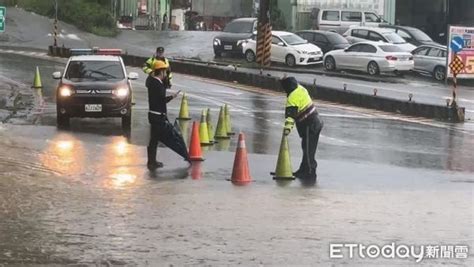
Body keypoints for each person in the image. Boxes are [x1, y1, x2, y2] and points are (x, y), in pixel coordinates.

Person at [146, 61, 190, 170]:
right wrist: (172, 97)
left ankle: (152, 161)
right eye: (165, 71)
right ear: (161, 71)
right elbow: (161, 100)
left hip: (154, 115)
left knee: (154, 139)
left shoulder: (153, 82)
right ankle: (152, 162)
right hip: (157, 116)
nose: (166, 73)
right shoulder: (157, 84)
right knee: (163, 138)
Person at [281, 77, 323, 180]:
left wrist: (287, 130)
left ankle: (310, 173)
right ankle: (303, 170)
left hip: (310, 124)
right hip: (315, 121)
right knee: (306, 148)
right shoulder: (301, 88)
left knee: (308, 150)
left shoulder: (292, 97)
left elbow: (290, 117)